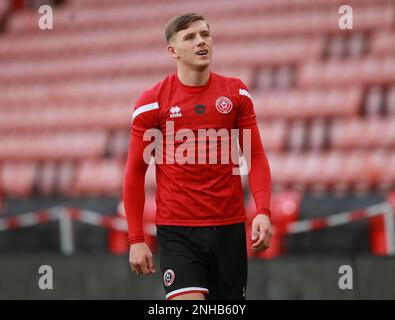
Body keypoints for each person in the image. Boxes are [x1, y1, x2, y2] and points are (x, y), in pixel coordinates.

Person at [123, 13, 272, 300]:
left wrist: (263, 211)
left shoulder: (236, 92)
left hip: (229, 228)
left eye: (205, 34)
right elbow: (135, 171)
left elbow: (255, 156)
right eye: (189, 37)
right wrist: (136, 239)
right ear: (173, 51)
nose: (201, 41)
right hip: (178, 232)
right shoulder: (152, 102)